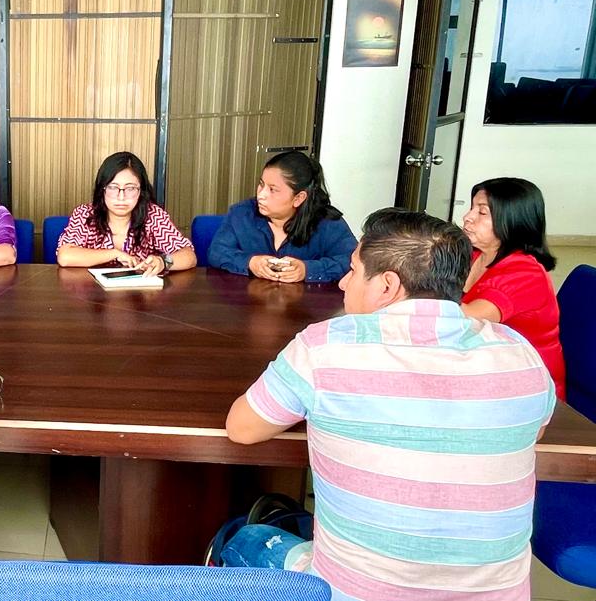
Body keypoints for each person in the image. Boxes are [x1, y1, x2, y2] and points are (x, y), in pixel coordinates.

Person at [224, 208, 555, 601]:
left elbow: (242, 429)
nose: (344, 282)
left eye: (353, 271)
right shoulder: (520, 353)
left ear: (386, 285)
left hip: (356, 594)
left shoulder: (326, 347)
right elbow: (533, 432)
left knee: (247, 539)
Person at [461, 177, 566, 399]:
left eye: (482, 212)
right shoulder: (475, 255)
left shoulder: (526, 273)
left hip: (528, 390)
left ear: (512, 220)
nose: (467, 217)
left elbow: (465, 319)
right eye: (471, 208)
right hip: (487, 366)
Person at [209, 151, 357, 283]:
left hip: (307, 303)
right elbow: (216, 251)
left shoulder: (328, 223)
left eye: (272, 190)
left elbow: (352, 260)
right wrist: (250, 262)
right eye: (261, 185)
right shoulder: (242, 213)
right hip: (250, 301)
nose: (261, 195)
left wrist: (307, 270)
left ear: (298, 198)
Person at [56, 151, 196, 275]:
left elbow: (189, 256)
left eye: (130, 188)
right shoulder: (85, 214)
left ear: (141, 191)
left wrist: (163, 262)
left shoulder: (153, 216)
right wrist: (115, 254)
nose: (121, 197)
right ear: (102, 189)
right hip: (93, 292)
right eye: (113, 187)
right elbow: (65, 256)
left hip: (140, 293)